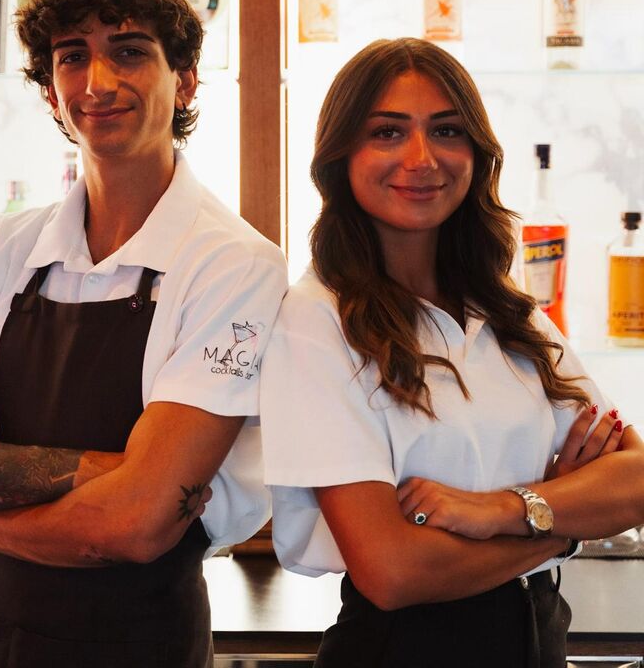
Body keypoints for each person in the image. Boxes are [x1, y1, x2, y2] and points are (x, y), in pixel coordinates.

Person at [0, 0, 288, 668]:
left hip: (137, 645)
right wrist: (113, 470)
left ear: (185, 79)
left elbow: (138, 526)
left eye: (130, 52)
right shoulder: (3, 248)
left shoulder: (234, 266)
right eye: (72, 57)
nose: (98, 82)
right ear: (49, 91)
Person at [261, 37, 644, 668]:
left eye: (446, 130)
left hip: (538, 635)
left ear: (477, 153)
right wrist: (560, 521)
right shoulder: (316, 320)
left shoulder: (508, 311)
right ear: (340, 156)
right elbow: (392, 571)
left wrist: (500, 509)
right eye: (387, 132)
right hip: (405, 648)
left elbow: (634, 479)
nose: (421, 158)